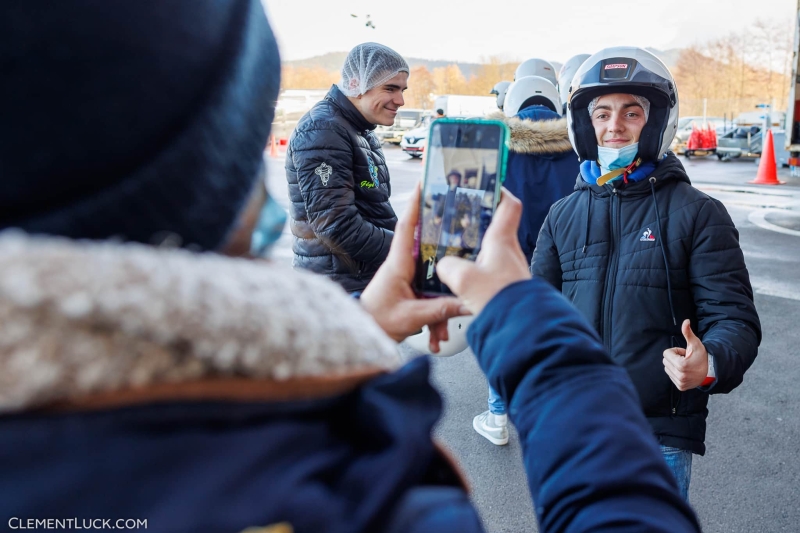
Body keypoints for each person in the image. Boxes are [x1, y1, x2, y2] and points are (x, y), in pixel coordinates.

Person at [0, 4, 703, 530]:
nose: (399, 100)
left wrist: (353, 340)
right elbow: (624, 511)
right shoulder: (349, 488)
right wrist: (531, 324)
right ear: (209, 180)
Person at [532, 46, 762, 499]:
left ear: (657, 122)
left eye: (631, 112)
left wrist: (709, 362)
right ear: (585, 124)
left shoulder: (698, 214)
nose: (614, 126)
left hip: (656, 432)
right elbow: (536, 315)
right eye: (601, 114)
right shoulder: (562, 215)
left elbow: (735, 319)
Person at [472, 75, 580, 445]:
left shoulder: (496, 146)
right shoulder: (580, 146)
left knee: (507, 337)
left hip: (507, 260)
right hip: (566, 263)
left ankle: (498, 417)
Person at [285, 42, 408, 292]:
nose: (401, 100)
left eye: (403, 89)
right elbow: (337, 225)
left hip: (361, 281)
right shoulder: (324, 130)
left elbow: (372, 209)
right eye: (391, 88)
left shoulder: (359, 129)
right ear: (357, 86)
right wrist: (407, 250)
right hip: (338, 289)